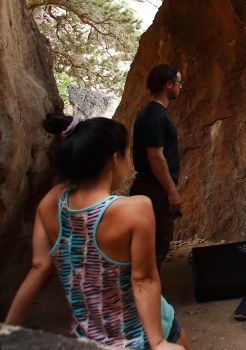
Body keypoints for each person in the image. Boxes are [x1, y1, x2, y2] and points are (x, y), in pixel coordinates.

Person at [4, 114, 189, 349]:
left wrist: (9, 329)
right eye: (127, 154)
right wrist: (157, 341)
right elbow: (143, 279)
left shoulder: (52, 201)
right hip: (140, 335)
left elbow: (39, 267)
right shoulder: (135, 209)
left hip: (88, 337)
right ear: (115, 159)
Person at [129, 64, 183, 270]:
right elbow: (155, 157)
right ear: (168, 84)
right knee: (154, 247)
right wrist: (172, 191)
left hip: (152, 188)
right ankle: (148, 298)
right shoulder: (155, 115)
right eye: (178, 82)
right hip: (153, 189)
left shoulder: (153, 113)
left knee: (153, 246)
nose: (180, 87)